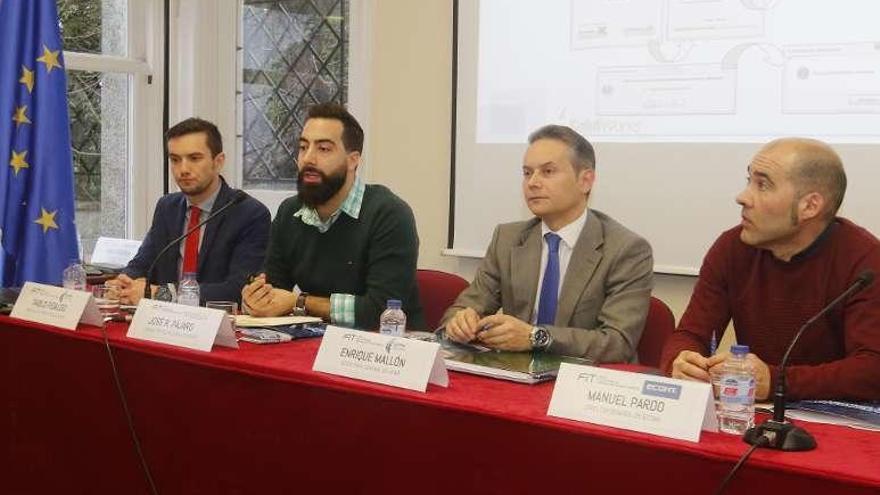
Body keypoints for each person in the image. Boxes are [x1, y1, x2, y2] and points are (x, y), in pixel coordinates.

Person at [661, 138, 880, 401]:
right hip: (753, 414)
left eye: (762, 185)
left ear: (810, 206)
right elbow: (691, 334)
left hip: (843, 423)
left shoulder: (865, 260)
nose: (742, 197)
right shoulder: (732, 247)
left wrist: (778, 381)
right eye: (749, 180)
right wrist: (682, 361)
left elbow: (871, 369)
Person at [441, 125, 653, 362]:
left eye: (548, 171)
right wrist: (460, 322)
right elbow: (462, 308)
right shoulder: (508, 239)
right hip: (515, 376)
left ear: (585, 180)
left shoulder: (625, 249)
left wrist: (535, 337)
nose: (533, 182)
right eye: (527, 173)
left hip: (585, 383)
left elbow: (617, 343)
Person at [241, 103, 424, 330]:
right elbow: (275, 289)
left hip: (384, 351)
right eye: (303, 147)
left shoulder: (389, 215)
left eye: (324, 149)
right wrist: (258, 299)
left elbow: (381, 309)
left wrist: (300, 302)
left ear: (353, 160)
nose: (308, 159)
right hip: (312, 342)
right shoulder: (290, 212)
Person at [113, 118, 271, 305]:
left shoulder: (249, 213)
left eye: (194, 158)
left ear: (218, 161)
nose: (183, 169)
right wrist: (121, 283)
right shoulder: (167, 207)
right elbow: (141, 264)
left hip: (216, 326)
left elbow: (238, 289)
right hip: (162, 323)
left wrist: (161, 293)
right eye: (175, 160)